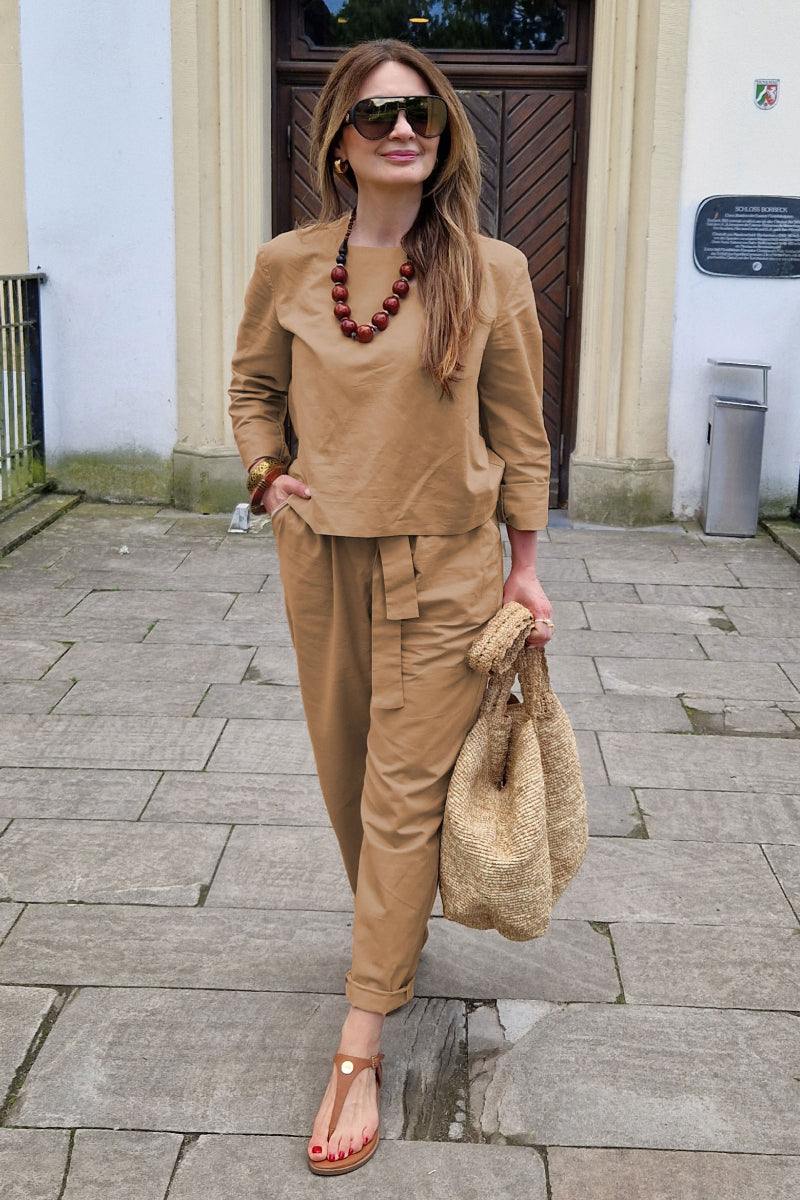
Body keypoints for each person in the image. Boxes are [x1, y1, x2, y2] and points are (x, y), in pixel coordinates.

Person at [227, 37, 554, 1177]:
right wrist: (267, 474)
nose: (402, 129)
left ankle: (359, 1043)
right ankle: (394, 938)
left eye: (421, 112)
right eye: (377, 115)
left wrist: (524, 566)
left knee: (402, 797)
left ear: (445, 132)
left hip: (445, 570)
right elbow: (252, 387)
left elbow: (519, 431)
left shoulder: (489, 269)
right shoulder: (287, 264)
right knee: (345, 778)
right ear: (340, 140)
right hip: (321, 563)